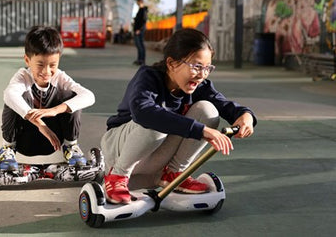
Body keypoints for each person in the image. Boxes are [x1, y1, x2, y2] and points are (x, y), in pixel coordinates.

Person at [101, 28, 257, 205]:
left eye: (207, 68)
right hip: (119, 150)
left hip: (155, 157)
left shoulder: (200, 86)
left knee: (208, 111)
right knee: (156, 120)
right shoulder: (148, 77)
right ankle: (117, 176)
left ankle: (174, 174)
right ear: (172, 63)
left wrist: (246, 116)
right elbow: (143, 112)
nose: (202, 74)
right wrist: (201, 130)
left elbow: (225, 105)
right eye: (197, 66)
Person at [0, 26, 96, 171]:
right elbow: (9, 95)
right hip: (23, 141)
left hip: (53, 142)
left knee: (72, 96)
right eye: (40, 65)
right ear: (27, 60)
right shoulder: (22, 77)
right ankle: (8, 149)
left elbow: (89, 96)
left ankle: (71, 147)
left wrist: (55, 110)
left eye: (52, 65)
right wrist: (41, 125)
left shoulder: (60, 77)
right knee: (14, 99)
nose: (47, 71)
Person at [132, 0, 148, 66]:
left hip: (139, 30)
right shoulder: (140, 9)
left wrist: (139, 29)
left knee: (140, 45)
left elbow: (143, 20)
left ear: (140, 2)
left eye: (137, 2)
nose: (136, 3)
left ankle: (142, 60)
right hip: (138, 29)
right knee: (139, 46)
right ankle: (139, 59)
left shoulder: (143, 10)